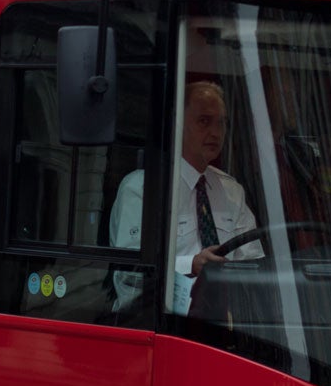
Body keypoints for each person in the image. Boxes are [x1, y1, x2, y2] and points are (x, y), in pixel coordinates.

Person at [108, 80, 261, 315]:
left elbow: (254, 262)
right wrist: (191, 265)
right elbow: (129, 273)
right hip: (157, 323)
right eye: (204, 121)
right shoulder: (142, 188)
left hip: (223, 326)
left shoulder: (231, 191)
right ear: (178, 123)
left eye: (221, 123)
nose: (216, 133)